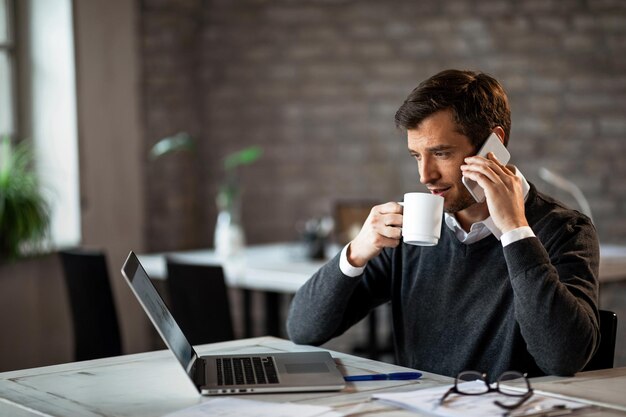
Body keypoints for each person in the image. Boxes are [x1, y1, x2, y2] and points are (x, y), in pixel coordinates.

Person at [287, 69, 600, 380]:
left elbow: (563, 358)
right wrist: (355, 252)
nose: (425, 175)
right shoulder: (408, 230)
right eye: (416, 156)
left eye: (440, 153)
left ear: (494, 145)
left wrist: (515, 232)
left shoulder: (564, 230)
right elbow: (303, 329)